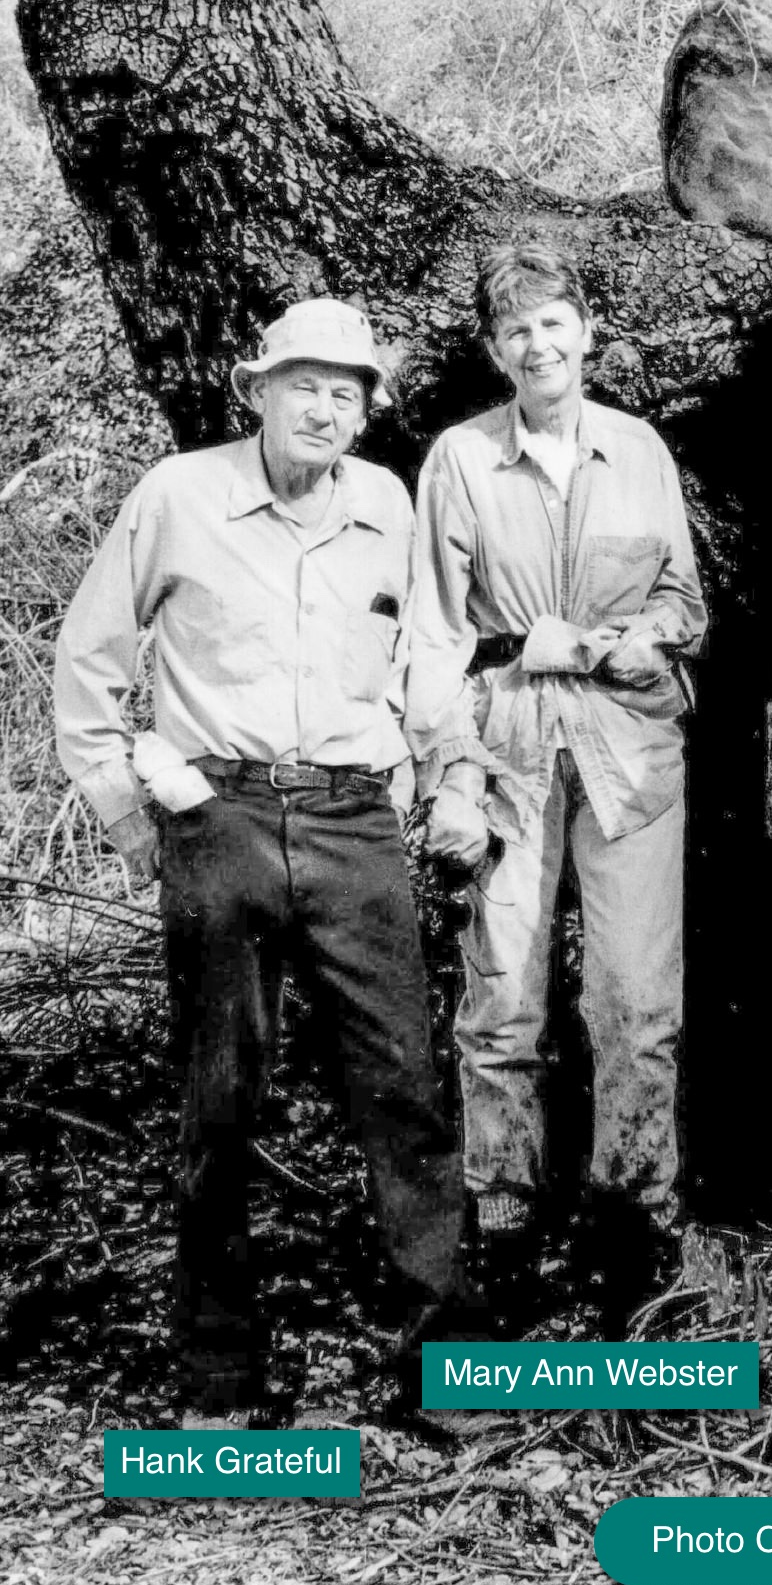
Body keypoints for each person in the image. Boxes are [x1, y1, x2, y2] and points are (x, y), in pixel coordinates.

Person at [53, 297, 474, 1425]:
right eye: (305, 384)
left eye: (348, 390)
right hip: (220, 815)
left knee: (407, 1096)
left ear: (368, 409)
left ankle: (440, 1375)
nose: (326, 407)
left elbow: (428, 654)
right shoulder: (177, 494)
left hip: (353, 821)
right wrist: (143, 821)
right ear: (258, 391)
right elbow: (88, 663)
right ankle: (220, 1378)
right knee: (219, 1101)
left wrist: (446, 771)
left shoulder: (387, 503)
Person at [408, 242, 707, 1333]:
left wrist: (640, 637)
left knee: (636, 996)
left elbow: (687, 597)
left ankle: (641, 1223)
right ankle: (505, 1226)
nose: (539, 343)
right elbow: (434, 637)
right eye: (517, 328)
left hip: (631, 752)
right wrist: (447, 771)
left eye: (555, 321)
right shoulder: (458, 461)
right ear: (496, 350)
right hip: (510, 744)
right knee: (502, 997)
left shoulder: (639, 451)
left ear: (589, 332)